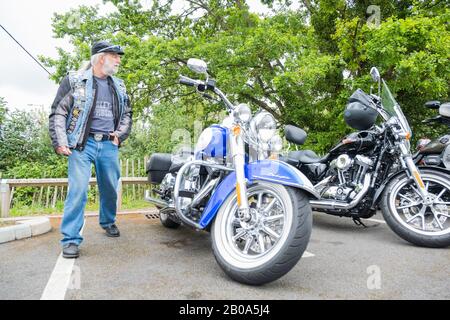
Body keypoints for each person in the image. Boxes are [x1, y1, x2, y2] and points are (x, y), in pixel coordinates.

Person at [48, 40, 132, 258]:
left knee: (110, 188)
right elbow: (58, 111)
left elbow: (127, 114)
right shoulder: (74, 81)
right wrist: (60, 140)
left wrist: (119, 136)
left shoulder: (119, 85)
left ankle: (108, 221)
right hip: (81, 145)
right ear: (101, 58)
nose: (118, 60)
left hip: (108, 144)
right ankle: (70, 240)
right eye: (115, 56)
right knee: (78, 190)